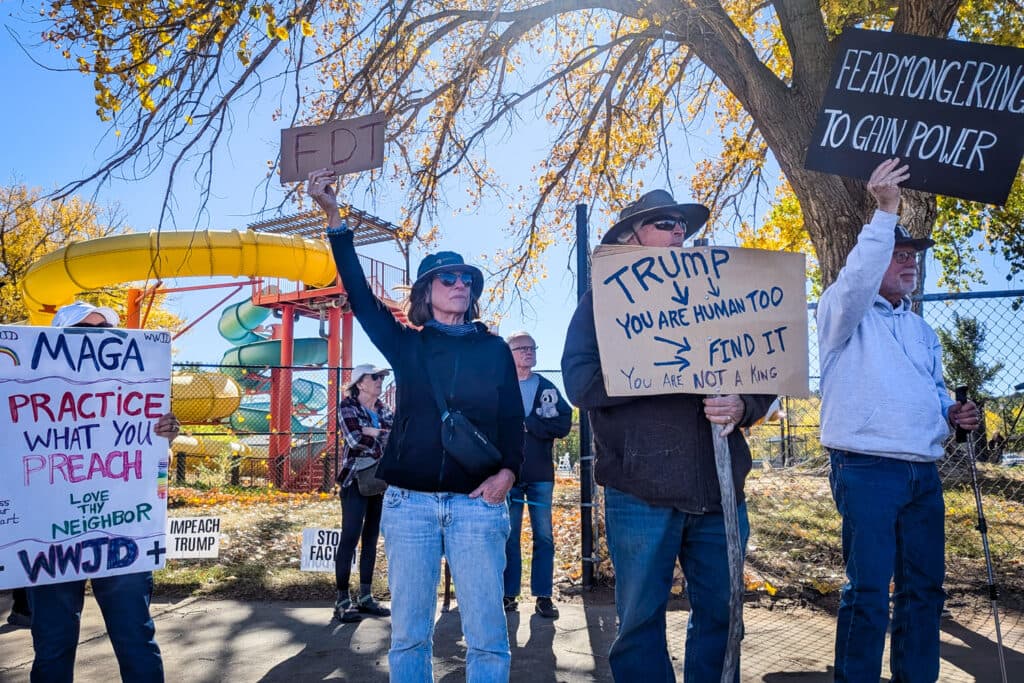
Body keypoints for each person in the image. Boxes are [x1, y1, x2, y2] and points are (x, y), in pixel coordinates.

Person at [309, 168, 524, 682]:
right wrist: (335, 217)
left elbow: (512, 420)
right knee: (408, 637)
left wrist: (509, 474)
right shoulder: (407, 344)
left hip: (479, 505)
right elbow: (360, 295)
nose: (461, 285)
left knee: (489, 640)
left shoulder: (493, 349)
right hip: (410, 508)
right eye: (448, 278)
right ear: (427, 293)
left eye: (467, 279)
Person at [561, 189, 774, 682]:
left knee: (723, 617)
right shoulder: (602, 303)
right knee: (638, 624)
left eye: (681, 224)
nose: (678, 231)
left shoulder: (721, 297)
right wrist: (660, 366)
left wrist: (744, 406)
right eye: (663, 223)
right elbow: (580, 382)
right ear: (629, 237)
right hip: (640, 491)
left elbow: (764, 369)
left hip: (718, 491)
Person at [817, 158, 979, 683]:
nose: (909, 263)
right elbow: (857, 276)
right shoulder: (842, 313)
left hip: (923, 474)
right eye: (899, 254)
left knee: (925, 590)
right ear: (875, 257)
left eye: (913, 256)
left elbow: (933, 395)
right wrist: (885, 212)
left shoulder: (921, 330)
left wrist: (952, 414)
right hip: (865, 468)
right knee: (866, 591)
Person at [27, 301, 180, 683]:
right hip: (51, 538)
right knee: (53, 643)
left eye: (103, 332)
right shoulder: (27, 394)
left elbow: (156, 472)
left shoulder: (135, 393)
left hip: (122, 533)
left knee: (136, 638)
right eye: (84, 331)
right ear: (59, 340)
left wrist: (164, 440)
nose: (95, 340)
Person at [502, 331, 572, 619]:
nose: (528, 352)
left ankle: (543, 596)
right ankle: (508, 595)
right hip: (508, 476)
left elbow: (563, 423)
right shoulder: (500, 387)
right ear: (510, 353)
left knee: (544, 537)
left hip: (541, 475)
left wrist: (531, 425)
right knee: (510, 537)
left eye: (532, 348)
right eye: (522, 348)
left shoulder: (547, 388)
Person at [333, 363, 394, 623]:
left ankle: (366, 597)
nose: (380, 381)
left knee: (371, 539)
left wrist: (373, 432)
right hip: (354, 481)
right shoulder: (347, 406)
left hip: (378, 481)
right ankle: (342, 599)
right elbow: (355, 441)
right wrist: (381, 435)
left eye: (382, 377)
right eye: (375, 377)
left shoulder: (383, 409)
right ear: (360, 383)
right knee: (350, 536)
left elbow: (397, 438)